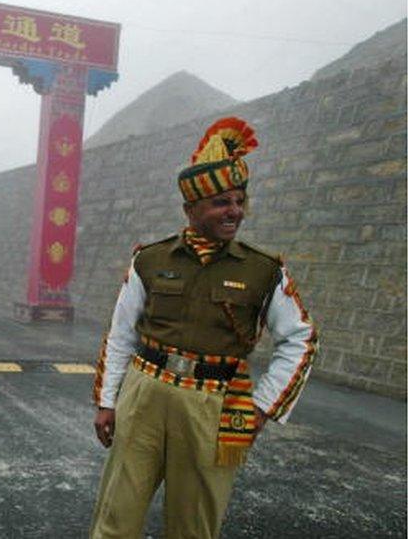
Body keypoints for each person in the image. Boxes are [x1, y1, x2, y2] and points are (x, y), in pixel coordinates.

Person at [89, 117, 318, 538]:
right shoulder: (151, 259)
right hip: (144, 393)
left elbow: (301, 338)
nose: (233, 211)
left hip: (215, 404)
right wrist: (107, 401)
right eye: (220, 202)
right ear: (190, 209)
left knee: (194, 525)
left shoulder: (263, 269)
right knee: (117, 515)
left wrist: (263, 406)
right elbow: (121, 333)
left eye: (239, 201)